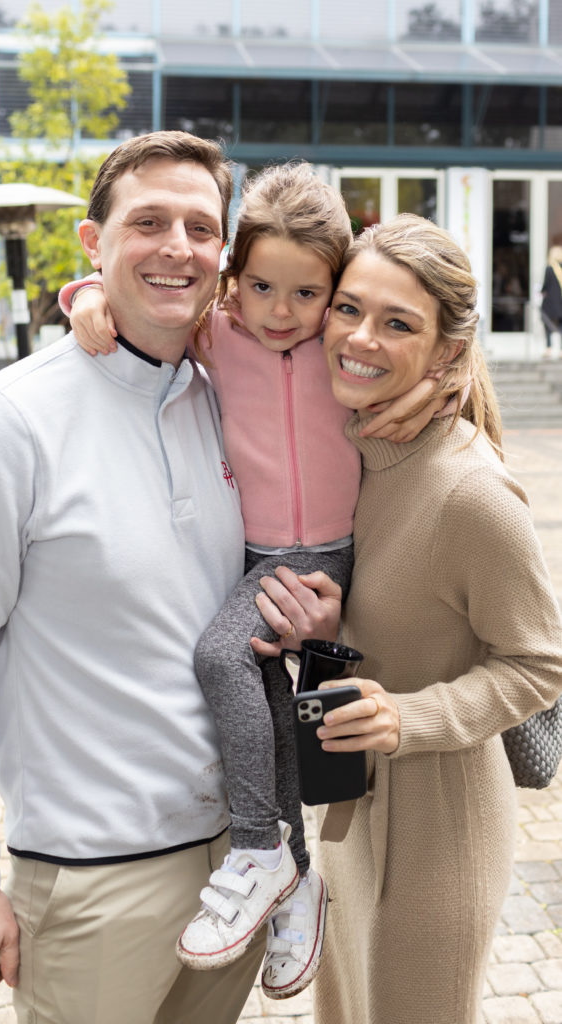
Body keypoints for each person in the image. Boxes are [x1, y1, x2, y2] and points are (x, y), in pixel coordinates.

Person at [0, 131, 277, 1024]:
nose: (177, 247)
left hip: (233, 869)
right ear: (91, 243)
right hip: (92, 885)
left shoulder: (226, 401)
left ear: (222, 256)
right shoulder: (3, 426)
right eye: (148, 221)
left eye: (200, 227)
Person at [58, 166, 452, 999]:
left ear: (334, 290)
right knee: (267, 695)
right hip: (254, 555)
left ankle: (258, 847)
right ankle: (294, 879)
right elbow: (144, 311)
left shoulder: (340, 349)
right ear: (234, 282)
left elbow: (437, 355)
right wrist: (85, 297)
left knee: (220, 660)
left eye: (308, 293)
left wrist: (444, 381)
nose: (282, 311)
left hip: (329, 555)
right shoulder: (219, 334)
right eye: (262, 287)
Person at [252, 213, 562, 1024]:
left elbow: (539, 664)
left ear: (447, 351)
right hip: (352, 809)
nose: (359, 338)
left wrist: (408, 716)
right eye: (349, 309)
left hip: (438, 825)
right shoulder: (348, 450)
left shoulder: (468, 492)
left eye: (398, 324)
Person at [540, 245, 562, 357]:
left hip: (550, 303)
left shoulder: (549, 269)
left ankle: (549, 348)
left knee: (547, 325)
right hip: (560, 302)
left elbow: (545, 286)